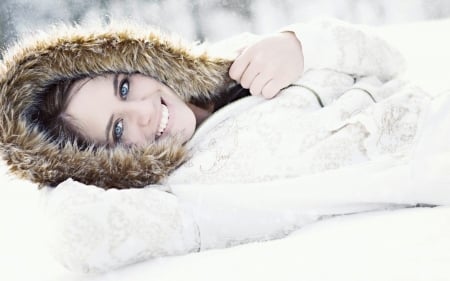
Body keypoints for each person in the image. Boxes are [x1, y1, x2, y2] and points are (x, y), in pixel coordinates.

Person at [0, 18, 445, 273]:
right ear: (100, 164)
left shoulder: (233, 63)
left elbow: (390, 59)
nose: (143, 111)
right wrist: (53, 167)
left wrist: (302, 45)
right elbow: (73, 235)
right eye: (117, 131)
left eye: (123, 86)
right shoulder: (179, 195)